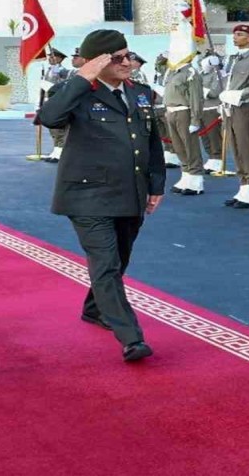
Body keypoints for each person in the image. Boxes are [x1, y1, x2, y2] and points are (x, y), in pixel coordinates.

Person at [38, 28, 164, 362]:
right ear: (98, 62)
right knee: (106, 264)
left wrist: (156, 186)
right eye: (118, 58)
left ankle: (95, 309)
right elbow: (48, 118)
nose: (128, 63)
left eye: (128, 55)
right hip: (88, 195)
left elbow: (151, 143)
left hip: (130, 192)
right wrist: (82, 77)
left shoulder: (140, 93)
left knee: (120, 258)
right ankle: (131, 337)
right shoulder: (74, 91)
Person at [220, 25, 249, 208]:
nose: (235, 37)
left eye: (240, 34)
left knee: (246, 147)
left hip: (241, 106)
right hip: (227, 107)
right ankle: (244, 188)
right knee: (236, 148)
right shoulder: (230, 60)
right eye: (234, 34)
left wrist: (237, 95)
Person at [161, 53, 206, 196]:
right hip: (171, 112)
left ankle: (196, 179)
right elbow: (160, 65)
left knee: (190, 146)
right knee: (179, 146)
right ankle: (186, 175)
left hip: (184, 112)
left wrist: (195, 119)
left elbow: (196, 98)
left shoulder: (191, 72)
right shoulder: (172, 72)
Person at [42, 48, 72, 163]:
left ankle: (60, 152)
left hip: (57, 101)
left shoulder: (61, 71)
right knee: (53, 130)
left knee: (60, 129)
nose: (50, 58)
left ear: (59, 59)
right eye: (49, 56)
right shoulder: (49, 70)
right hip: (49, 101)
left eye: (53, 56)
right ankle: (55, 150)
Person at [198, 52, 226, 172]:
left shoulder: (219, 74)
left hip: (212, 109)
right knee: (204, 136)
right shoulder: (201, 74)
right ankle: (211, 157)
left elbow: (214, 92)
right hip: (201, 109)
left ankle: (217, 158)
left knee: (213, 136)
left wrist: (199, 90)